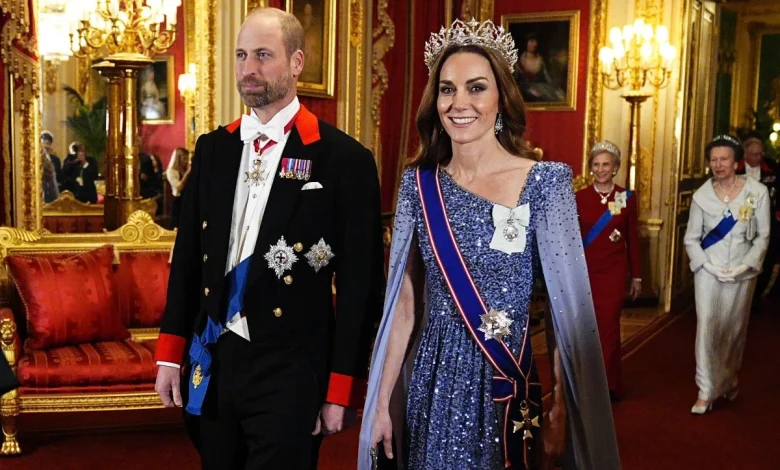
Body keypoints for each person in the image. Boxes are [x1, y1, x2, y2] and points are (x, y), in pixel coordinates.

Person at [360, 18, 619, 470]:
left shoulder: (546, 183)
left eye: (476, 87)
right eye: (446, 89)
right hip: (433, 381)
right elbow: (402, 307)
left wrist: (560, 405)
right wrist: (381, 405)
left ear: (501, 98)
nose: (459, 103)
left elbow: (566, 312)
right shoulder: (417, 186)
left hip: (507, 379)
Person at [153, 8, 384, 470]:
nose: (248, 69)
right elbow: (188, 260)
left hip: (291, 367)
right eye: (241, 56)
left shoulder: (343, 160)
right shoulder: (214, 148)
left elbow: (361, 286)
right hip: (214, 357)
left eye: (263, 55)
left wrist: (341, 387)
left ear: (297, 62)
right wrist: (169, 353)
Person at [684, 135, 770, 414]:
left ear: (736, 161)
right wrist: (707, 266)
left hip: (742, 273)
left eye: (723, 159)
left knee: (733, 331)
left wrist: (744, 266)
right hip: (708, 272)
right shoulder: (701, 195)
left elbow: (762, 237)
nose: (718, 165)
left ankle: (730, 379)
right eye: (713, 160)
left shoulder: (756, 192)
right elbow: (691, 239)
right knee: (707, 327)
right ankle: (706, 390)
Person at [575, 141, 642, 401]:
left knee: (609, 327)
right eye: (596, 164)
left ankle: (608, 383)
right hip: (585, 270)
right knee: (584, 327)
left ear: (615, 167)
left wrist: (636, 275)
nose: (601, 169)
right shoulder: (579, 197)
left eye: (606, 164)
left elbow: (632, 238)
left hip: (613, 272)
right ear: (590, 167)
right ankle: (585, 382)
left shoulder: (626, 197)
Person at [737, 132, 779, 311]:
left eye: (761, 153)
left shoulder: (771, 167)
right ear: (745, 153)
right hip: (741, 217)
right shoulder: (735, 167)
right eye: (755, 154)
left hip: (766, 218)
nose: (759, 157)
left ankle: (756, 296)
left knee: (766, 257)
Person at [514, 33, 564, 103]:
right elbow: (516, 81)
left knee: (557, 95)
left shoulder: (540, 59)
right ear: (526, 43)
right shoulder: (520, 60)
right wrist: (528, 89)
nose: (535, 44)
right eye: (532, 41)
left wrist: (555, 88)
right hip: (525, 89)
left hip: (541, 87)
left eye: (536, 42)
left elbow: (547, 77)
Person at [165, 147, 190, 227]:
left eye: (187, 158)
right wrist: (188, 173)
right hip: (179, 201)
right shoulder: (171, 171)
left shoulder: (185, 169)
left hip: (187, 200)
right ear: (178, 158)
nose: (186, 161)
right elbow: (179, 187)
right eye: (184, 158)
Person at [40, 131, 62, 202]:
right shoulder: (36, 158)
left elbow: (58, 173)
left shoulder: (55, 159)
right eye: (44, 143)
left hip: (52, 188)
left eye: (48, 144)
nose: (46, 146)